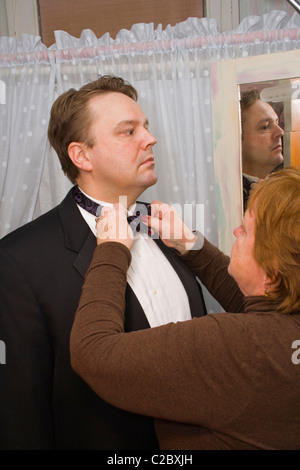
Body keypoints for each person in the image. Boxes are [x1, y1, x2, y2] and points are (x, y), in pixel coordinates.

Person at [0, 75, 207, 450]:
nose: (150, 138)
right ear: (82, 155)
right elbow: (21, 410)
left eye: (146, 126)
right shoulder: (18, 261)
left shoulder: (169, 228)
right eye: (129, 131)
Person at [70, 167, 300, 450]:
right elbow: (264, 312)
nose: (235, 230)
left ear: (274, 273)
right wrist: (191, 244)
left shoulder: (235, 347)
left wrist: (111, 249)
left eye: (247, 231)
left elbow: (93, 353)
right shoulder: (282, 331)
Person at [240, 88, 284, 210]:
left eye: (277, 122)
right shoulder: (230, 199)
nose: (280, 132)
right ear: (237, 139)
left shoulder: (283, 188)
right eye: (265, 127)